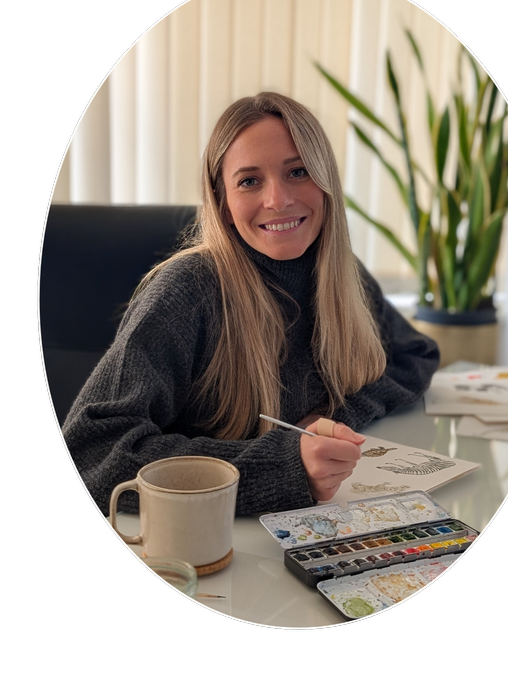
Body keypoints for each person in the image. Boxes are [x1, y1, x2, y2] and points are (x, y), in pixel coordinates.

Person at [63, 92, 440, 517]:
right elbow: (90, 454)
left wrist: (335, 418)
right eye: (249, 181)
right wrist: (282, 466)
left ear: (326, 182)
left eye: (298, 171)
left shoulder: (339, 272)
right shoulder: (186, 292)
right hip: (202, 540)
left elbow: (414, 354)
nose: (278, 199)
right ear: (223, 203)